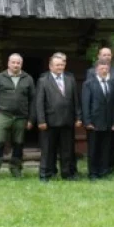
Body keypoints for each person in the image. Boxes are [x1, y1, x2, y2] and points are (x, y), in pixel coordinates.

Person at [0, 53, 35, 180]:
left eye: (18, 63)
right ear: (8, 63)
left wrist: (31, 119)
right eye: (13, 62)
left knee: (18, 145)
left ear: (21, 64)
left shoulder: (28, 78)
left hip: (21, 117)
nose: (15, 65)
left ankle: (16, 170)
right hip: (3, 115)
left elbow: (33, 100)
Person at [34, 52, 82, 182]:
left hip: (67, 121)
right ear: (50, 66)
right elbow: (39, 102)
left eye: (62, 64)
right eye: (57, 65)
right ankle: (46, 174)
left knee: (67, 150)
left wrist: (78, 117)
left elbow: (75, 100)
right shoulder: (43, 80)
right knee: (48, 150)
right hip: (49, 122)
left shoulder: (70, 79)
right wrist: (41, 120)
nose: (60, 67)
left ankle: (68, 174)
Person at [81, 60, 114, 179]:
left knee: (105, 148)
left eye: (106, 68)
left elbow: (113, 105)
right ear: (96, 69)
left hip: (108, 122)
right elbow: (85, 104)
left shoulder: (111, 84)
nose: (104, 70)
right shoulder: (88, 84)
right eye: (102, 68)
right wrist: (87, 122)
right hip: (94, 122)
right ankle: (93, 173)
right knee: (93, 149)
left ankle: (103, 172)